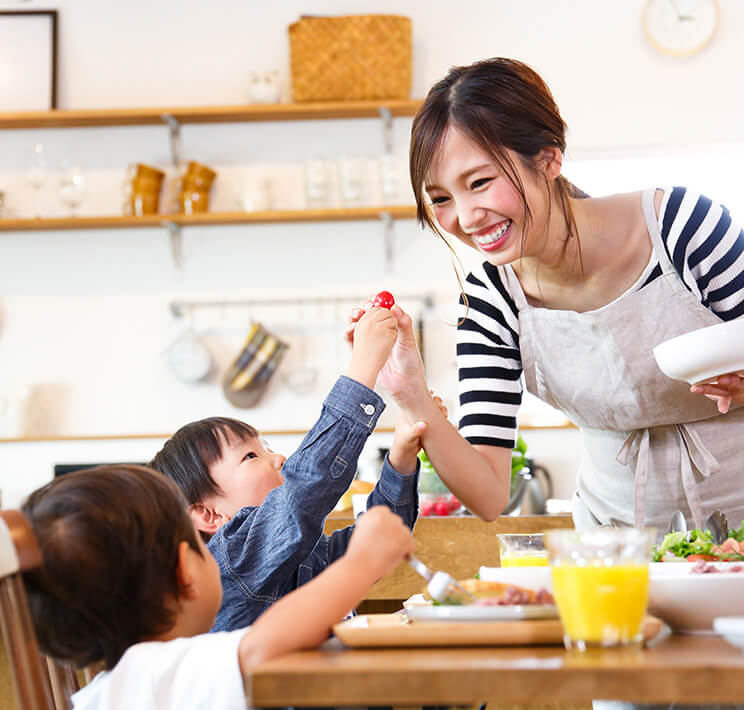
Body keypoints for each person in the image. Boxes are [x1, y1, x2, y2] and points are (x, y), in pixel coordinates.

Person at [350, 56, 744, 539]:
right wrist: (412, 394)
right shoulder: (491, 299)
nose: (467, 217)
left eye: (480, 182)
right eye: (442, 198)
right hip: (615, 543)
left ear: (549, 158)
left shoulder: (684, 227)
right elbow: (490, 493)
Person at [21, 464, 414, 710]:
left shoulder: (106, 692)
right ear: (184, 572)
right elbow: (264, 644)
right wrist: (363, 563)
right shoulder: (157, 671)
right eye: (202, 546)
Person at [150, 303, 438, 632]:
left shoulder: (304, 554)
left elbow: (380, 538)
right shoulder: (229, 560)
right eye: (251, 456)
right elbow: (304, 488)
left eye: (268, 448)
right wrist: (364, 365)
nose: (279, 459)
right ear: (209, 515)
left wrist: (401, 457)